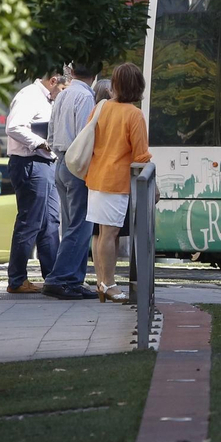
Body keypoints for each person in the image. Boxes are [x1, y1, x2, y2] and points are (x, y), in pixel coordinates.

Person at [84, 63, 151, 303]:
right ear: (137, 86)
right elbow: (141, 155)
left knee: (102, 234)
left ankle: (102, 283)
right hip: (116, 180)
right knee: (110, 234)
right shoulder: (134, 114)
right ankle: (109, 284)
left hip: (95, 177)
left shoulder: (101, 108)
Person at [42, 61, 100, 300]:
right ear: (96, 73)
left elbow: (51, 135)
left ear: (72, 72)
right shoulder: (85, 97)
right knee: (80, 226)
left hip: (61, 162)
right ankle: (60, 278)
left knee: (71, 225)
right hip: (78, 164)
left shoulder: (63, 95)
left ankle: (73, 281)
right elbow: (83, 138)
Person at [4, 70, 63, 294]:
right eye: (62, 89)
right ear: (53, 81)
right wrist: (41, 143)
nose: (62, 94)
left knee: (50, 222)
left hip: (43, 164)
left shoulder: (43, 98)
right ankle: (17, 279)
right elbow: (14, 127)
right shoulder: (30, 95)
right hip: (31, 163)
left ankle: (53, 277)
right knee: (30, 222)